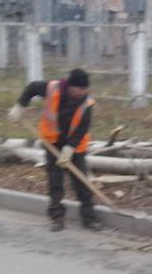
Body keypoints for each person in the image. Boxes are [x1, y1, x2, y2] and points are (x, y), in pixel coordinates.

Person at [8, 69, 102, 232]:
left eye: (85, 89)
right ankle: (57, 217)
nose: (83, 92)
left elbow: (82, 128)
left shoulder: (87, 102)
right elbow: (31, 88)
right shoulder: (53, 88)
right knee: (55, 180)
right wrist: (20, 106)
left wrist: (70, 148)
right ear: (71, 86)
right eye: (80, 89)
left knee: (81, 181)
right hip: (52, 141)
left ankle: (89, 217)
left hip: (75, 145)